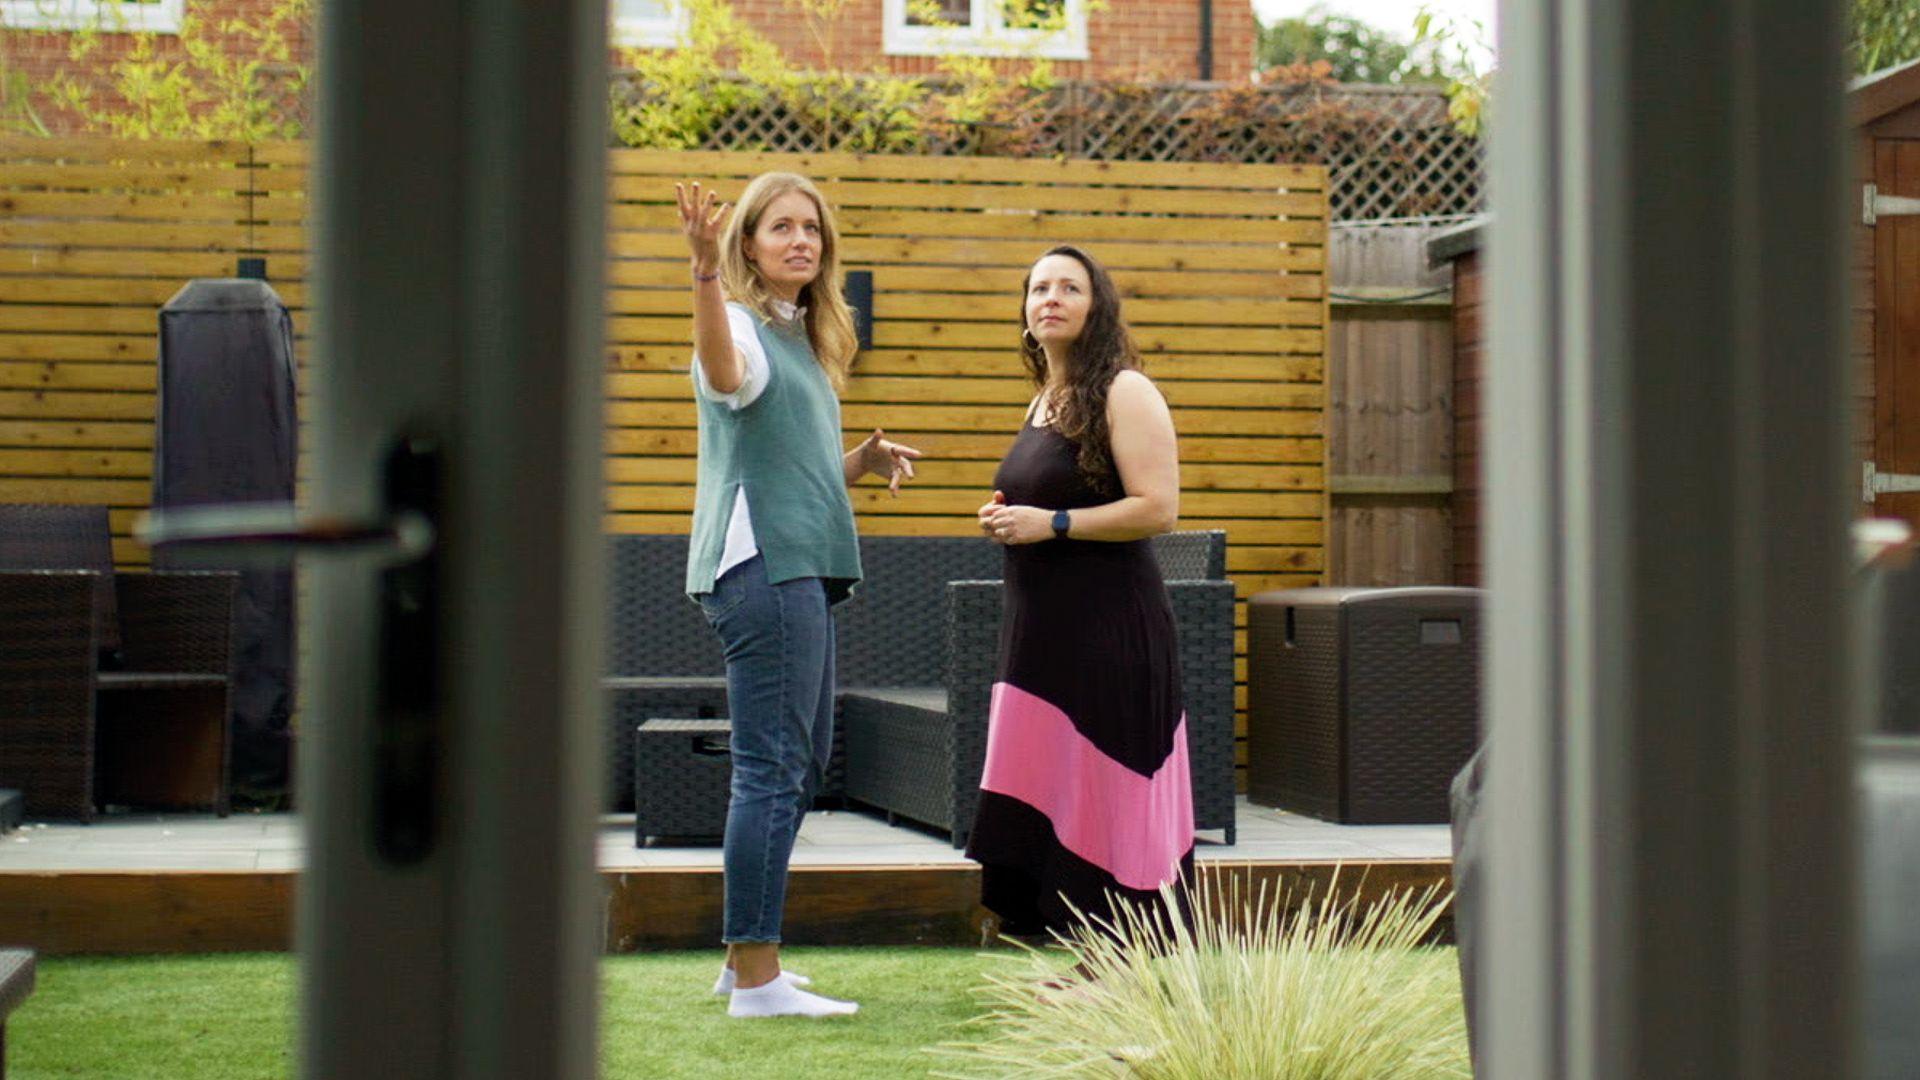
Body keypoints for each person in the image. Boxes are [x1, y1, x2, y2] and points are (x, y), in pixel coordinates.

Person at [676, 173, 921, 1018]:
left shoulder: (796, 337)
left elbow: (788, 461)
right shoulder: (739, 322)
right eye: (780, 227)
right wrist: (704, 273)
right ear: (747, 243)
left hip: (794, 568)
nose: (801, 241)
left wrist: (859, 462)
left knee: (797, 762)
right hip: (765, 572)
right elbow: (721, 374)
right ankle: (757, 978)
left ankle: (742, 956)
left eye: (811, 228)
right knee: (772, 768)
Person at [966, 243, 1193, 949]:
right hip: (1040, 640)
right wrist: (1010, 518)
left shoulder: (1125, 390)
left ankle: (1113, 965)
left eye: (1070, 287)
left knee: (1104, 798)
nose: (1052, 299)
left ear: (1098, 308)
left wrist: (1054, 523)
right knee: (1052, 797)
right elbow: (1049, 501)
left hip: (1108, 634)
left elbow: (1159, 508)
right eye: (1039, 288)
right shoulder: (1043, 401)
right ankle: (1067, 954)